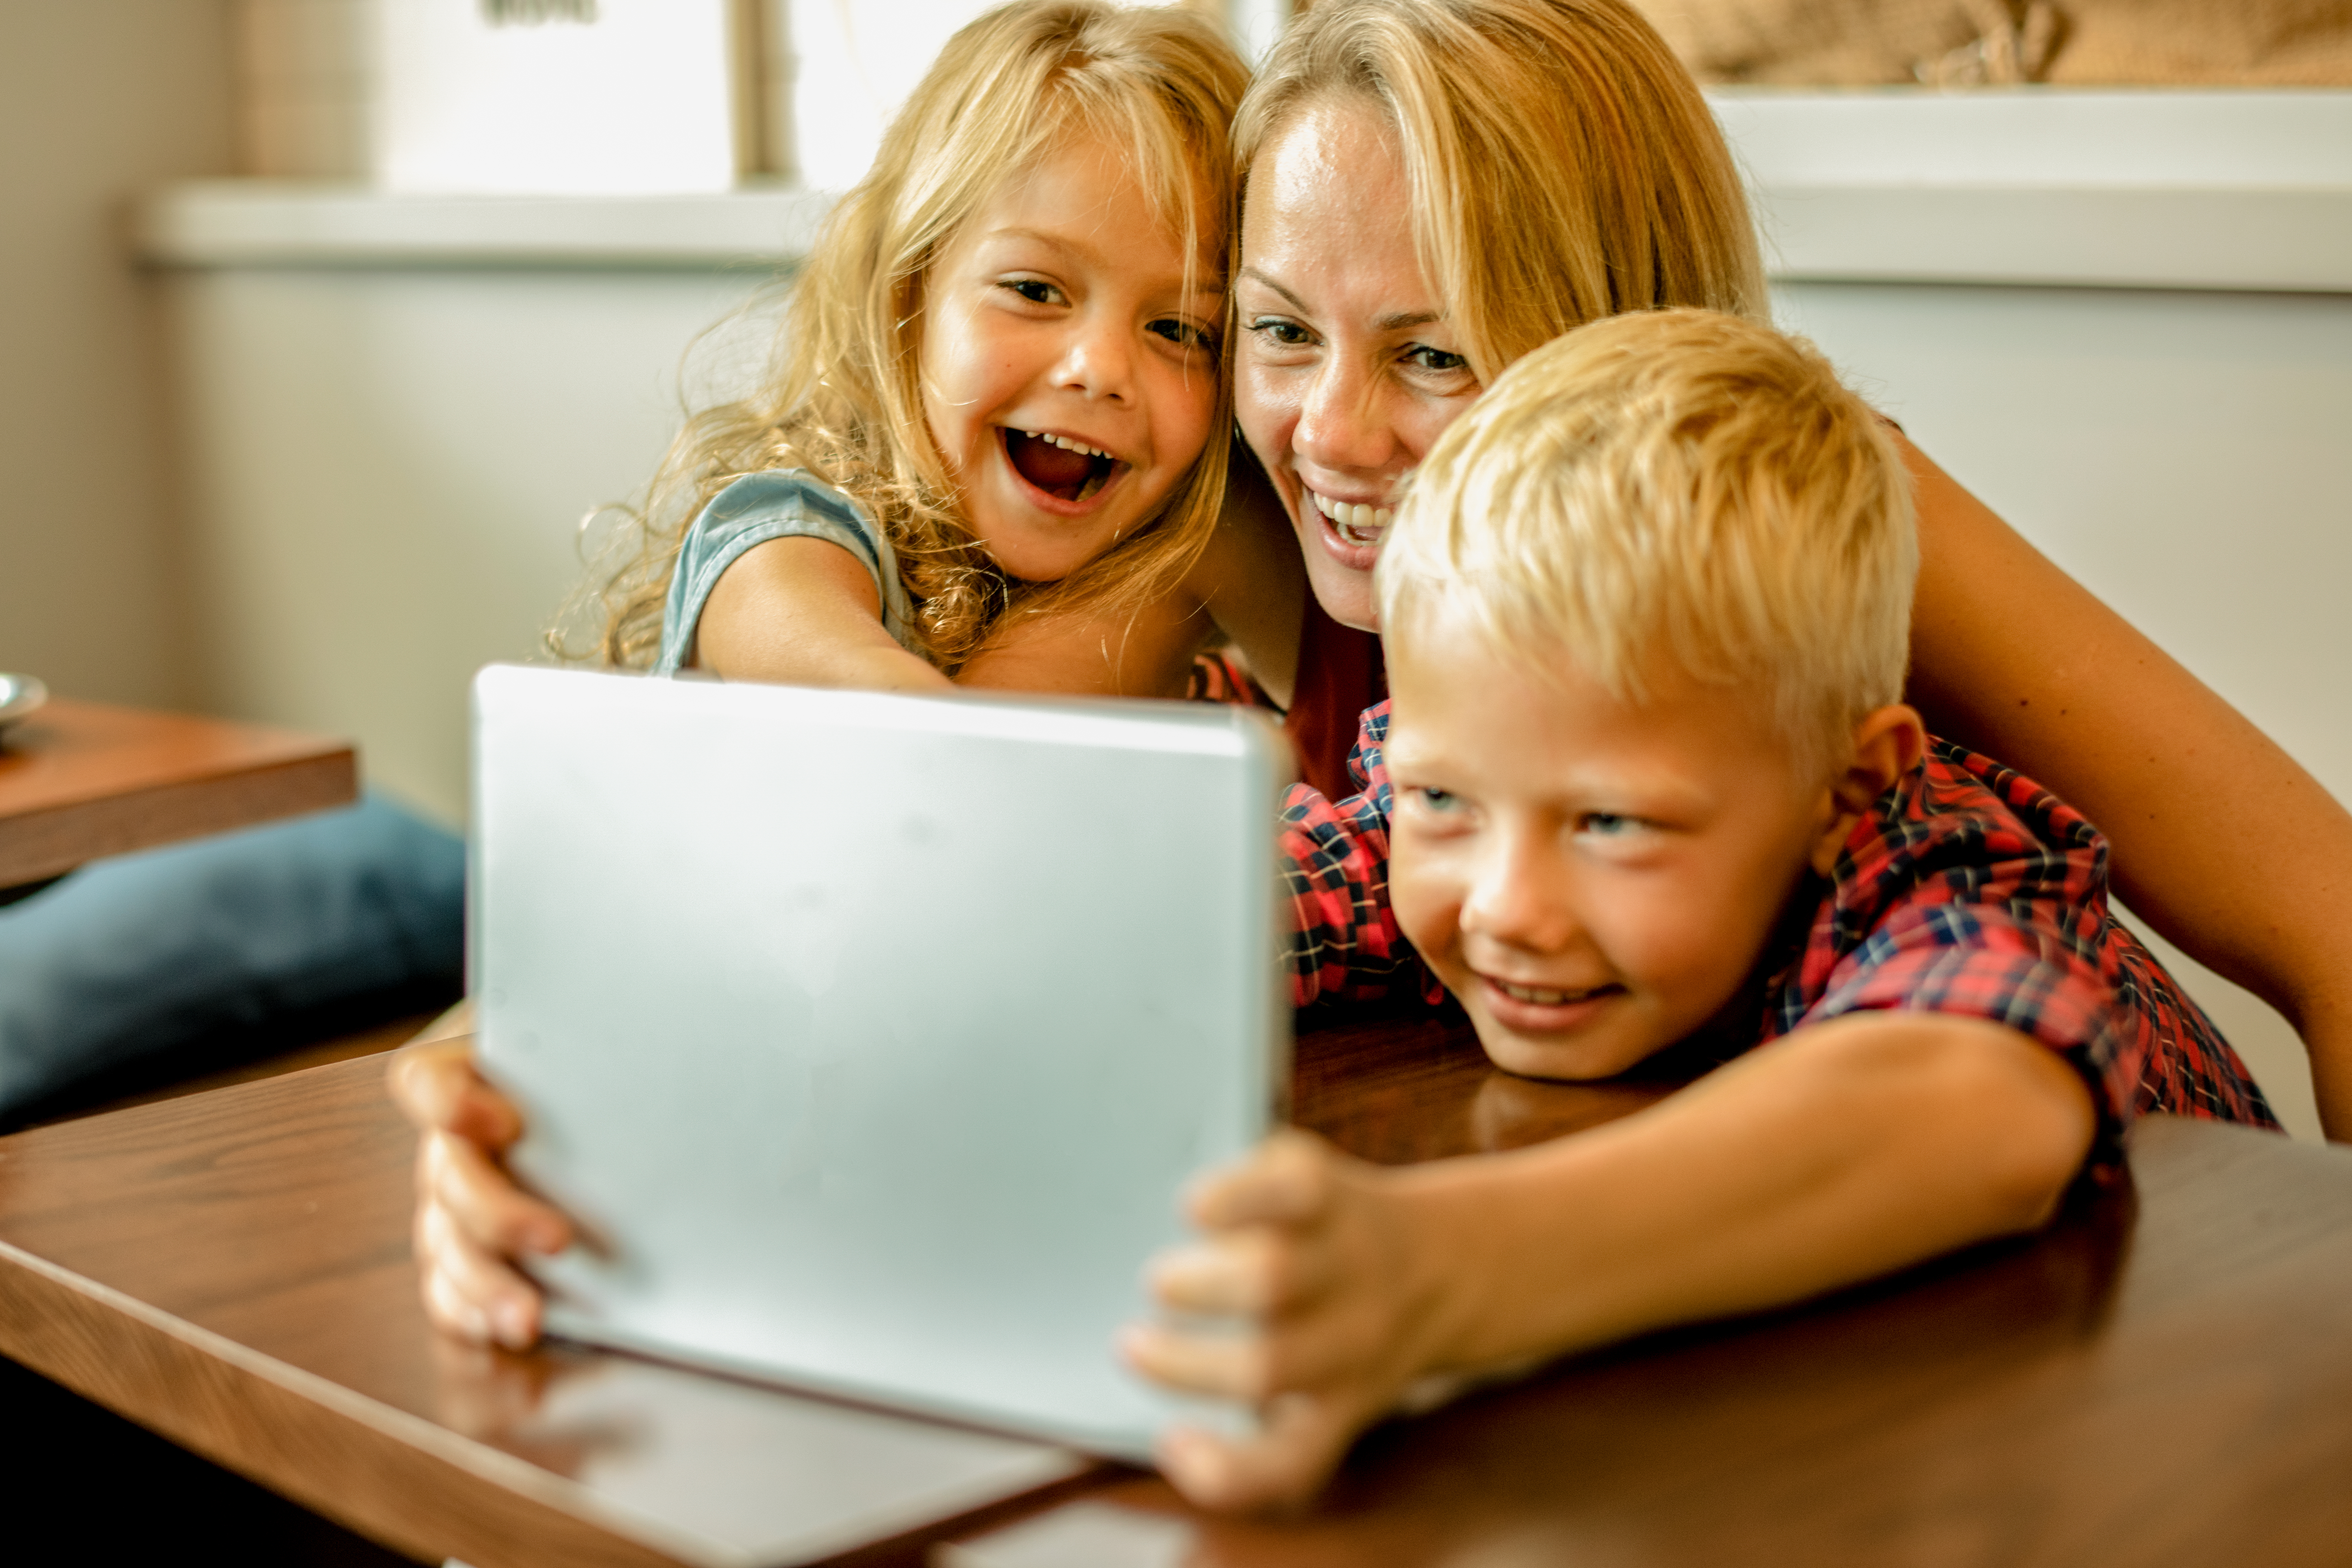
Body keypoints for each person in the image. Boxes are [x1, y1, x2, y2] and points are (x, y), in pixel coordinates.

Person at [397, 0, 2352, 1412]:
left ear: (1614, 349)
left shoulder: (1849, 688)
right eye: (1264, 331)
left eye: (1431, 350)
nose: (1326, 431)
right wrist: (542, 1085)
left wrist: (1440, 1275)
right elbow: (955, 875)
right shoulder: (1271, 561)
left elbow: (2018, 1049)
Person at [1121, 308, 2279, 1511]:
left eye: (1615, 824)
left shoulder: (1936, 858)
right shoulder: (1472, 800)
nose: (1508, 907)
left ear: (1851, 785)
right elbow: (1213, 900)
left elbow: (1983, 1096)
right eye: (1440, 796)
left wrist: (1431, 1271)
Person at [580, 0, 1297, 701]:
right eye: (1034, 290)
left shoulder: (1180, 548)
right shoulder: (786, 547)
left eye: (1178, 331)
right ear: (907, 292)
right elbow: (918, 748)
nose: (1101, 370)